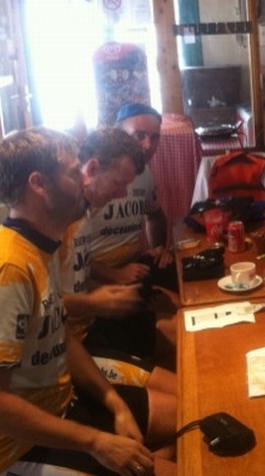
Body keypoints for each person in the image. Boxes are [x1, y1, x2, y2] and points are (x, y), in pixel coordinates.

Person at [0, 127, 176, 476]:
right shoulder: (6, 268)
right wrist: (97, 441)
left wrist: (115, 403)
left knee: (191, 409)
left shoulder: (38, 247)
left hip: (59, 403)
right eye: (72, 171)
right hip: (9, 448)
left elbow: (59, 338)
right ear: (39, 184)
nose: (84, 179)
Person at [62, 126, 177, 395]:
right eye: (118, 183)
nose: (123, 194)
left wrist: (107, 294)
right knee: (183, 395)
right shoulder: (58, 221)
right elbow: (37, 307)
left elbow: (76, 272)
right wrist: (97, 298)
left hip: (91, 328)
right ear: (91, 169)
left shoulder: (84, 215)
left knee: (187, 331)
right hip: (76, 346)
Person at [87, 103, 179, 367]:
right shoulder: (88, 187)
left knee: (188, 286)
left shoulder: (145, 173)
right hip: (99, 278)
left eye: (154, 137)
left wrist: (159, 248)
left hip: (133, 266)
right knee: (173, 315)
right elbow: (67, 258)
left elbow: (155, 215)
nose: (147, 144)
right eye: (139, 135)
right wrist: (113, 275)